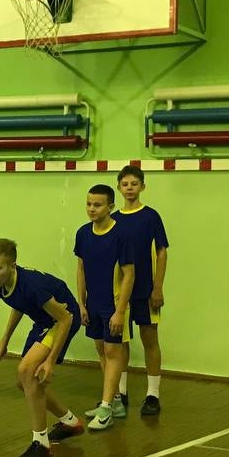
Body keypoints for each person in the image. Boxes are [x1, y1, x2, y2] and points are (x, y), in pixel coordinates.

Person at [0, 238, 84, 457]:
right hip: (44, 322)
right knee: (25, 382)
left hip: (63, 319)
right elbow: (19, 304)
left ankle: (41, 445)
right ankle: (70, 422)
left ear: (12, 266)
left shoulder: (33, 285)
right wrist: (4, 339)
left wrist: (50, 361)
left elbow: (66, 318)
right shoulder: (1, 283)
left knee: (27, 371)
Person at [74, 184, 135, 431]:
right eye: (89, 204)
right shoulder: (82, 233)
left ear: (110, 207)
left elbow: (129, 274)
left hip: (114, 304)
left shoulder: (121, 235)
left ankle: (106, 407)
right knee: (101, 350)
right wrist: (81, 303)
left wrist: (120, 311)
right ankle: (115, 401)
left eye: (97, 205)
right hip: (93, 304)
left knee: (113, 352)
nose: (92, 209)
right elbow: (81, 269)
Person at [113, 164, 170, 416]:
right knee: (120, 342)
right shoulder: (113, 219)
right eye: (125, 184)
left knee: (150, 340)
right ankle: (120, 392)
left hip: (146, 290)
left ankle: (153, 395)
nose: (129, 188)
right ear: (118, 187)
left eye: (134, 184)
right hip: (120, 293)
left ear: (142, 187)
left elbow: (162, 252)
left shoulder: (151, 216)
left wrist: (157, 287)